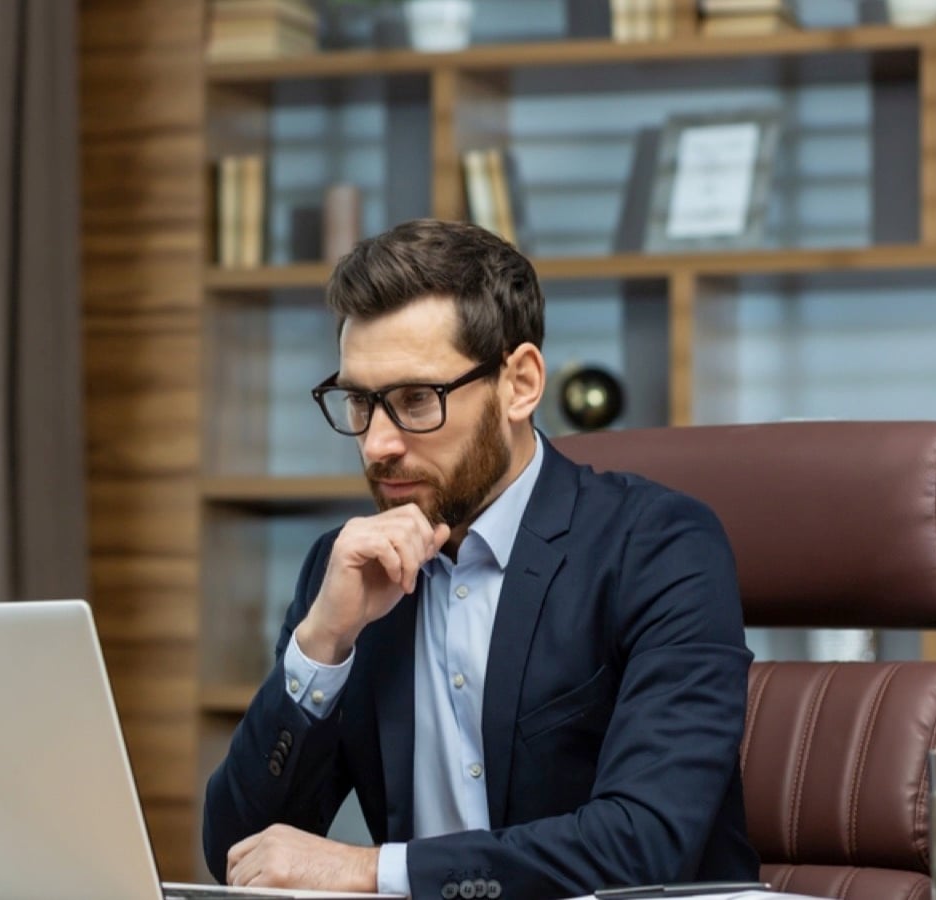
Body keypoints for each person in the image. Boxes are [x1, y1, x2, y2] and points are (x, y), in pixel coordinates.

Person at [201, 219, 758, 900]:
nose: (377, 444)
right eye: (358, 401)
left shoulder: (659, 546)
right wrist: (321, 648)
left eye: (414, 400)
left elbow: (646, 842)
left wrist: (370, 871)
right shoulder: (346, 570)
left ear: (519, 384)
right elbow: (241, 853)